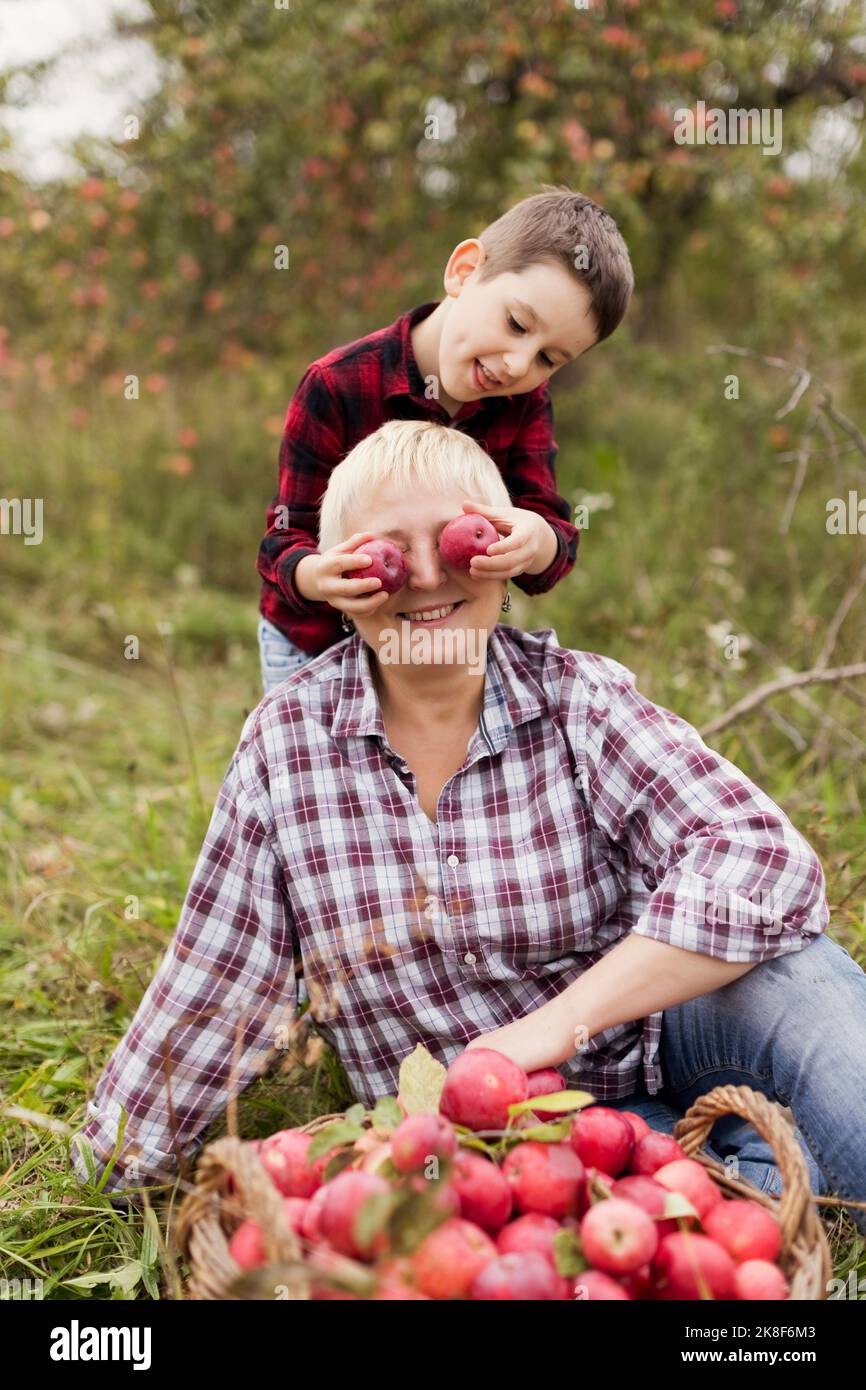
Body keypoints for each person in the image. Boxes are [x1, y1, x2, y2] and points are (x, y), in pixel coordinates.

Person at [73, 421, 866, 1235]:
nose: (422, 576)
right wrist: (106, 1167)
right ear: (337, 579)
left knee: (805, 992)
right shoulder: (288, 747)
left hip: (668, 1031)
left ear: (510, 554)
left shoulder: (576, 700)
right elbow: (220, 977)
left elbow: (764, 859)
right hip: (508, 1136)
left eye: (458, 542)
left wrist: (545, 1032)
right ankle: (770, 1176)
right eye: (384, 556)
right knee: (685, 1227)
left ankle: (784, 1167)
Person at [256, 185, 635, 693]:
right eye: (517, 324)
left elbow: (551, 535)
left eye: (549, 360)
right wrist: (314, 576)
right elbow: (284, 537)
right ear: (463, 271)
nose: (519, 365)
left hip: (431, 638)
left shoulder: (523, 405)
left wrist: (533, 541)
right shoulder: (338, 384)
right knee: (310, 766)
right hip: (313, 641)